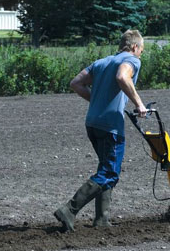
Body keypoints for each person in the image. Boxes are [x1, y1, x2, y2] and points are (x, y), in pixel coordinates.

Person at [54, 29, 147, 232]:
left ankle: (102, 219)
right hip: (110, 126)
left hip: (92, 123)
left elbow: (76, 83)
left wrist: (96, 100)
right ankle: (69, 209)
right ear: (134, 47)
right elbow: (123, 77)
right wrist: (139, 104)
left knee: (105, 169)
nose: (141, 54)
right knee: (110, 172)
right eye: (141, 50)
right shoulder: (132, 60)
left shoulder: (102, 62)